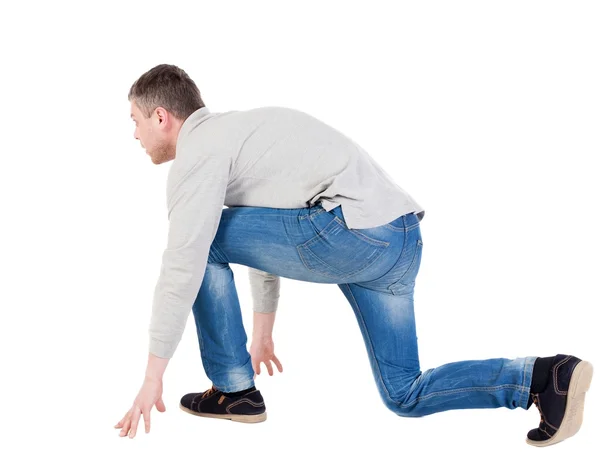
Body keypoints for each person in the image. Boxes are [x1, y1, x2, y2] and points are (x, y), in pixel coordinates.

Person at [115, 64, 593, 447]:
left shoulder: (199, 152)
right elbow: (261, 233)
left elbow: (187, 260)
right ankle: (542, 378)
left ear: (162, 116)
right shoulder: (241, 134)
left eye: (135, 121)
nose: (134, 135)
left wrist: (152, 376)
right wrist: (263, 332)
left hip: (351, 233)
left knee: (200, 241)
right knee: (404, 393)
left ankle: (234, 389)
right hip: (400, 238)